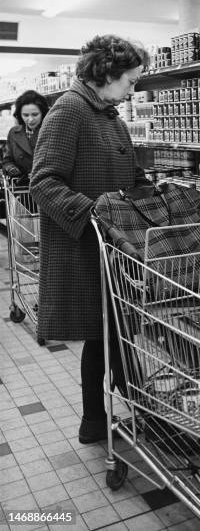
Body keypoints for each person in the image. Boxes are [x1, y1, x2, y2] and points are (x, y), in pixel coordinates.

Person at [30, 35, 150, 444]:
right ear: (108, 73)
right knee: (105, 330)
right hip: (85, 243)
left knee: (112, 330)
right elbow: (43, 181)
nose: (133, 88)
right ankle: (111, 415)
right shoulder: (69, 110)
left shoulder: (110, 114)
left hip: (112, 245)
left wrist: (154, 196)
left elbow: (130, 174)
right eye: (131, 80)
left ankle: (109, 416)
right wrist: (94, 216)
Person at [2, 90, 49, 183]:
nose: (30, 119)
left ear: (43, 113)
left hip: (47, 187)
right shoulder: (13, 133)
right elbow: (7, 160)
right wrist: (12, 169)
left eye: (35, 114)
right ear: (19, 115)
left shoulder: (51, 131)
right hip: (22, 189)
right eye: (25, 115)